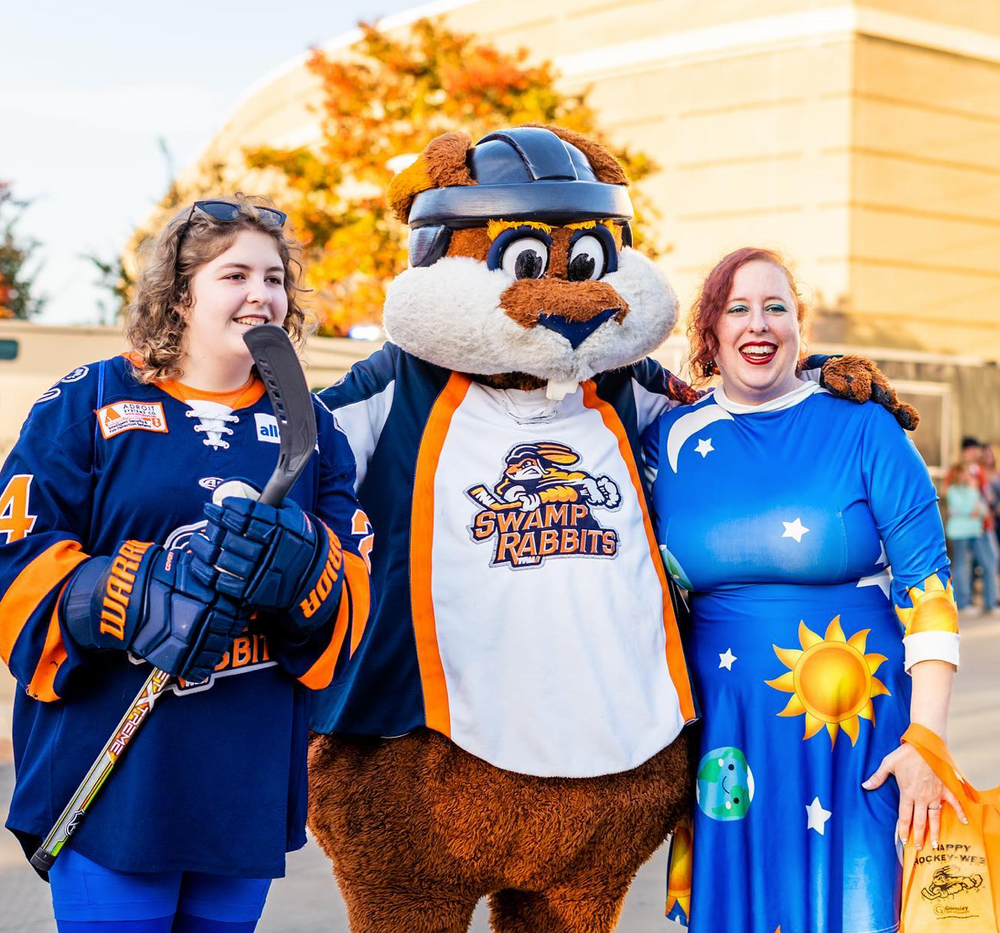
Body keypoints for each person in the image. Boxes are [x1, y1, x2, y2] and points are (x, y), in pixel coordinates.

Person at [0, 196, 370, 933]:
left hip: (242, 774)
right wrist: (124, 594)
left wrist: (305, 573)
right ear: (179, 292)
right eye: (235, 274)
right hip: (115, 773)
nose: (261, 293)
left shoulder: (314, 427)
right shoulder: (89, 400)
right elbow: (15, 557)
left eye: (273, 277)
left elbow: (356, 586)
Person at [644, 247, 961, 933]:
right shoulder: (666, 437)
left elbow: (929, 590)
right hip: (726, 732)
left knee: (860, 906)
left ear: (800, 326)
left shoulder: (865, 426)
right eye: (738, 308)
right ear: (711, 332)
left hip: (858, 731)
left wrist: (927, 740)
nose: (758, 324)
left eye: (775, 306)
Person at [946, 462, 995, 611]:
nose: (969, 475)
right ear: (958, 474)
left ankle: (990, 603)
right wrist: (973, 508)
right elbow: (965, 508)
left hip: (976, 531)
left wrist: (974, 509)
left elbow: (983, 510)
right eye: (966, 472)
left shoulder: (972, 489)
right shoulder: (953, 491)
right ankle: (962, 603)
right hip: (960, 533)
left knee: (988, 564)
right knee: (961, 567)